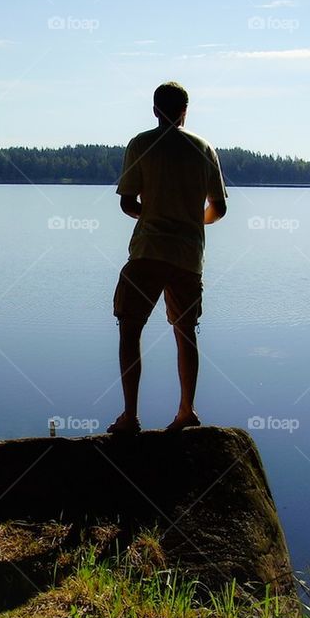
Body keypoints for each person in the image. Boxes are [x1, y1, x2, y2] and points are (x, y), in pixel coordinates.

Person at [107, 82, 228, 434]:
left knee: (130, 330)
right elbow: (219, 208)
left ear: (154, 109)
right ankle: (186, 412)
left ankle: (130, 417)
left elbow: (128, 202)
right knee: (186, 332)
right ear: (185, 110)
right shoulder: (204, 148)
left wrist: (154, 213)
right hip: (188, 256)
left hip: (148, 251)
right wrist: (190, 221)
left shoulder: (141, 144)